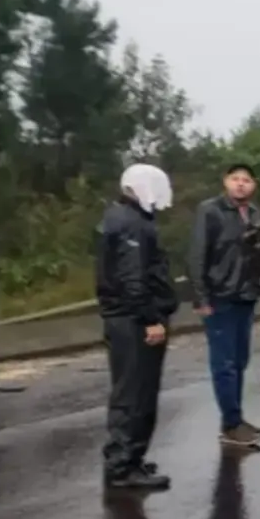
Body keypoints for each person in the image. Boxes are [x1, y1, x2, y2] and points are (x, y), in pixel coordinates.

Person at [97, 164, 179, 491]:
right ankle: (121, 468)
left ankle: (130, 459)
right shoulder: (131, 223)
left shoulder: (121, 217)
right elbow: (133, 280)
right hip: (133, 321)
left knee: (134, 392)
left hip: (126, 318)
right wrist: (151, 319)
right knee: (134, 394)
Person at [189, 162, 260, 449]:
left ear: (254, 185)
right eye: (235, 179)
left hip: (245, 295)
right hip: (219, 296)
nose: (240, 184)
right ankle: (231, 424)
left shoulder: (256, 214)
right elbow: (198, 254)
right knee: (224, 364)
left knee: (239, 361)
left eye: (246, 180)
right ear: (225, 182)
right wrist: (200, 296)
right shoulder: (210, 211)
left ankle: (236, 419)